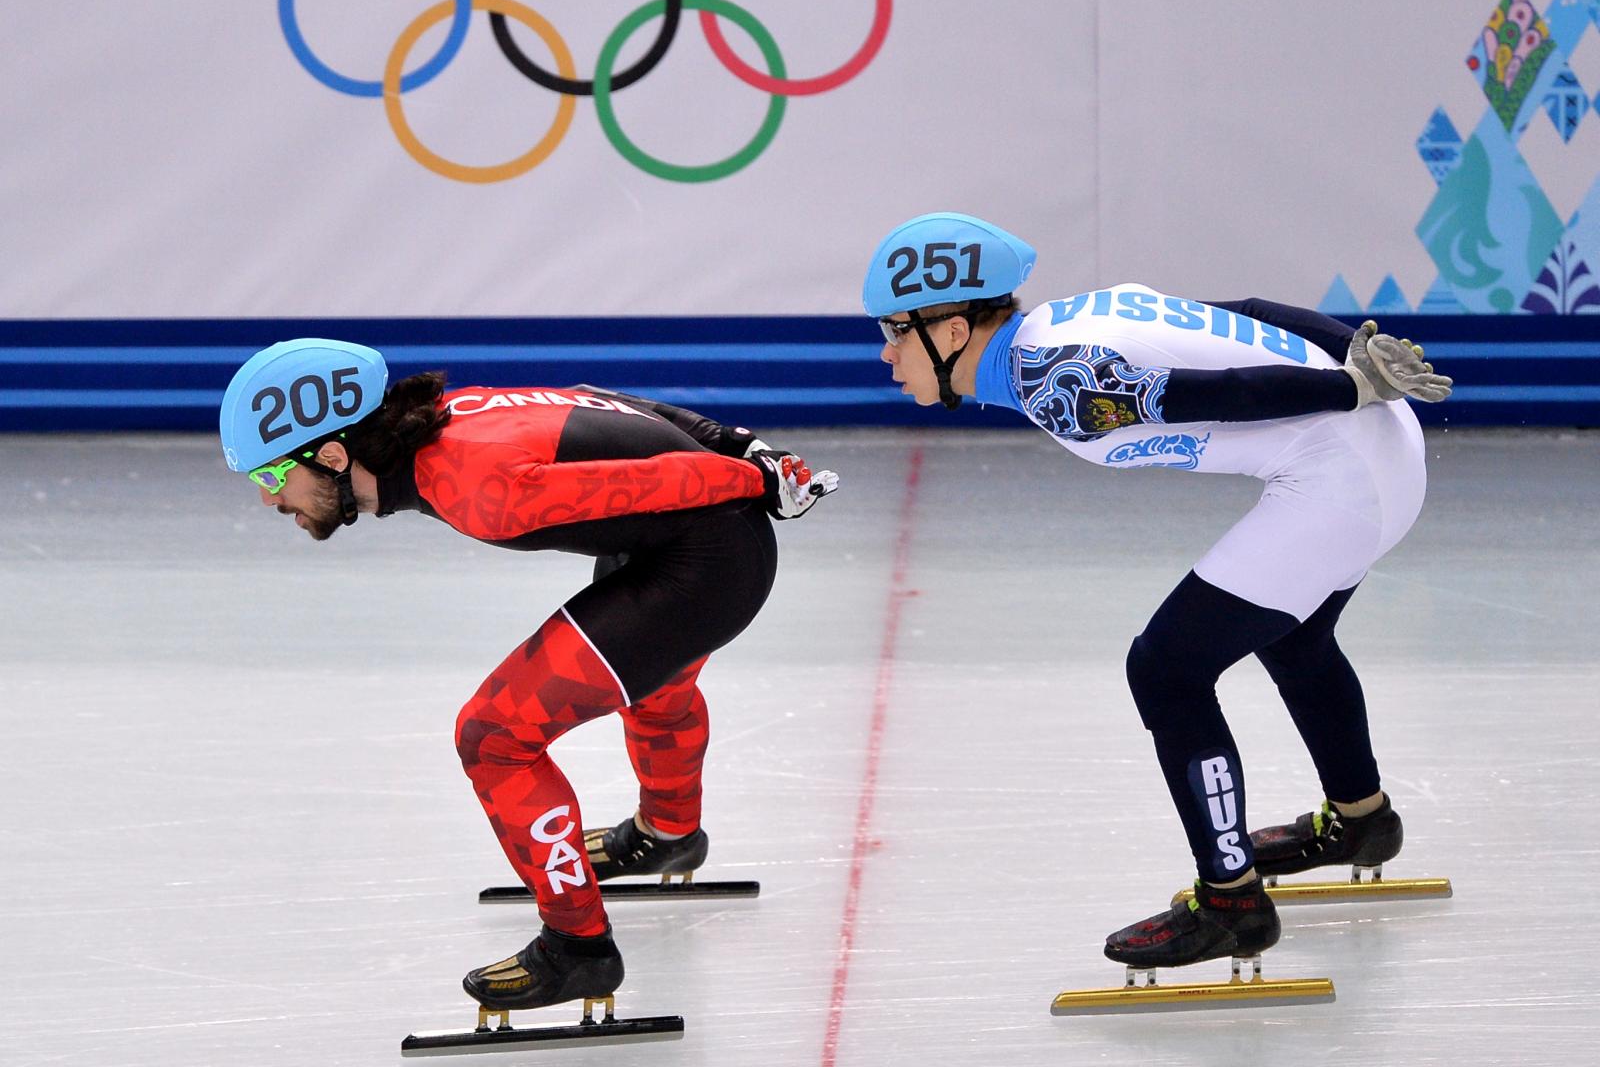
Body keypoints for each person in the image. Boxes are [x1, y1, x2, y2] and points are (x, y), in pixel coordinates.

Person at [861, 212, 1451, 973]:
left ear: (950, 332)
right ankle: (1362, 820)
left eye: (895, 331)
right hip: (1385, 452)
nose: (885, 351)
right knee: (1297, 638)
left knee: (1166, 670)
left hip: (1344, 480)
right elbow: (1249, 312)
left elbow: (1221, 393)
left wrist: (1348, 382)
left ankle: (1232, 903)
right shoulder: (1069, 319)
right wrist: (1351, 353)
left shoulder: (1053, 380)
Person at [218, 339, 838, 1013]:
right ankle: (669, 833)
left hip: (706, 561)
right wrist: (742, 446)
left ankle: (578, 949)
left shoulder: (473, 485)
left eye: (272, 476)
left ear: (334, 457)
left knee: (492, 737)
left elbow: (647, 483)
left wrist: (757, 479)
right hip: (674, 541)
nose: (267, 498)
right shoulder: (452, 415)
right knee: (657, 683)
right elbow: (602, 402)